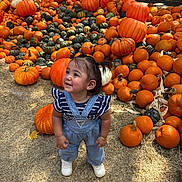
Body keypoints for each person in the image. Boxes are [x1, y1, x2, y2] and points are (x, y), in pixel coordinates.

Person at [52, 55, 111, 178]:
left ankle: (96, 162)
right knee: (67, 147)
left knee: (95, 148)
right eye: (67, 71)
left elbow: (106, 119)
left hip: (92, 132)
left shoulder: (99, 102)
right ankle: (67, 160)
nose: (68, 76)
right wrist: (59, 135)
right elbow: (56, 116)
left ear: (90, 85)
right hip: (70, 131)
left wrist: (103, 136)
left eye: (75, 74)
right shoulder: (62, 99)